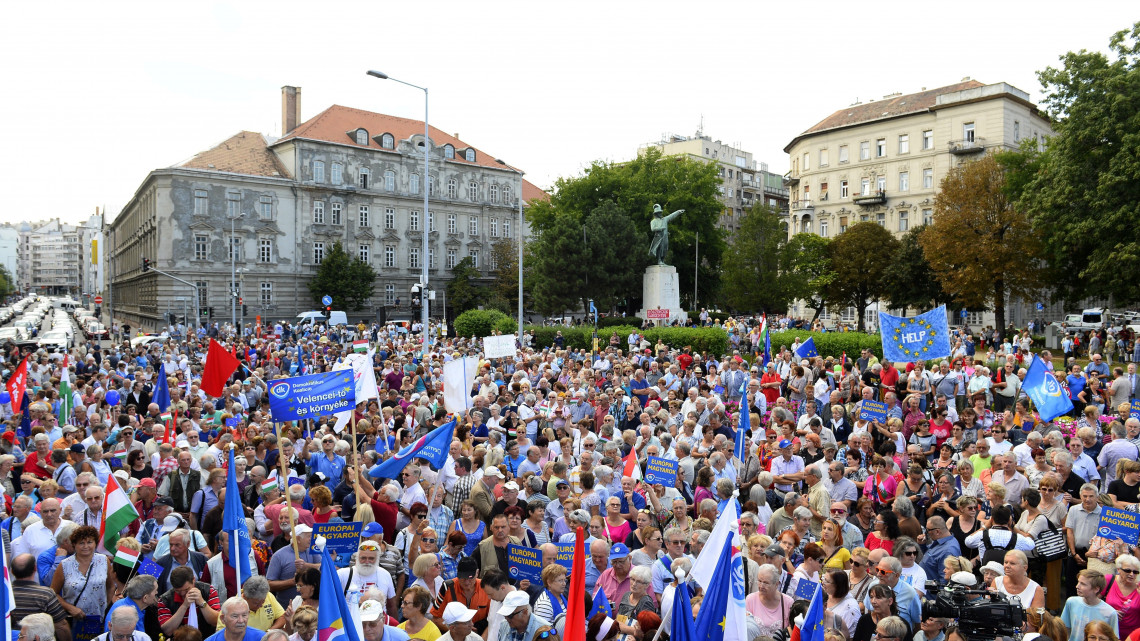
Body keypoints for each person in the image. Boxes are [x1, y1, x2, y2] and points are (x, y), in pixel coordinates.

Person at [51, 525, 116, 629]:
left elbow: (111, 586)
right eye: (81, 543)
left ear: (95, 543)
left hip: (99, 620)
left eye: (89, 542)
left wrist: (105, 607)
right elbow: (53, 593)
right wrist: (70, 608)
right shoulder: (64, 565)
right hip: (73, 620)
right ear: (74, 545)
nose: (86, 546)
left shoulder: (104, 561)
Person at [9, 553, 70, 641]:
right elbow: (61, 626)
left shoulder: (6, 596)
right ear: (35, 568)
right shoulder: (46, 594)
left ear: (12, 571)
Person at [157, 566, 222, 636]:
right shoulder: (165, 600)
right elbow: (167, 631)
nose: (182, 594)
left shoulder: (208, 590)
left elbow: (216, 621)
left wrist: (202, 602)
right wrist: (184, 606)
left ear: (193, 580)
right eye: (178, 591)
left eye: (186, 589)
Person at [994, 550, 1046, 632]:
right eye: (1006, 562)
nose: (1007, 566)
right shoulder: (996, 582)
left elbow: (1034, 623)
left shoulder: (1036, 589)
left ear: (1025, 567)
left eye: (1012, 563)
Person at [1062, 570, 1120, 641]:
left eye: (1083, 584)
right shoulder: (1071, 602)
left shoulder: (1110, 613)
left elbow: (1114, 638)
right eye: (1078, 582)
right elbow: (1064, 628)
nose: (1077, 586)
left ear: (1096, 589)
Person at [745, 564, 794, 638]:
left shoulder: (788, 602)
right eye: (759, 581)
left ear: (776, 584)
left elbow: (791, 631)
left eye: (766, 583)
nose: (761, 586)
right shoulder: (750, 599)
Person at [1105, 555, 1140, 640]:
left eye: (1135, 572)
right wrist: (1110, 612)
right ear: (1118, 570)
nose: (1132, 574)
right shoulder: (1109, 580)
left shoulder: (1139, 587)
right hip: (1108, 632)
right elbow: (1094, 602)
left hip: (1133, 636)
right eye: (1128, 571)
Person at [822, 568, 860, 637]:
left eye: (826, 581)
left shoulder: (851, 609)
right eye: (823, 579)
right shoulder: (826, 594)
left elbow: (850, 637)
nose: (823, 582)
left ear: (837, 585)